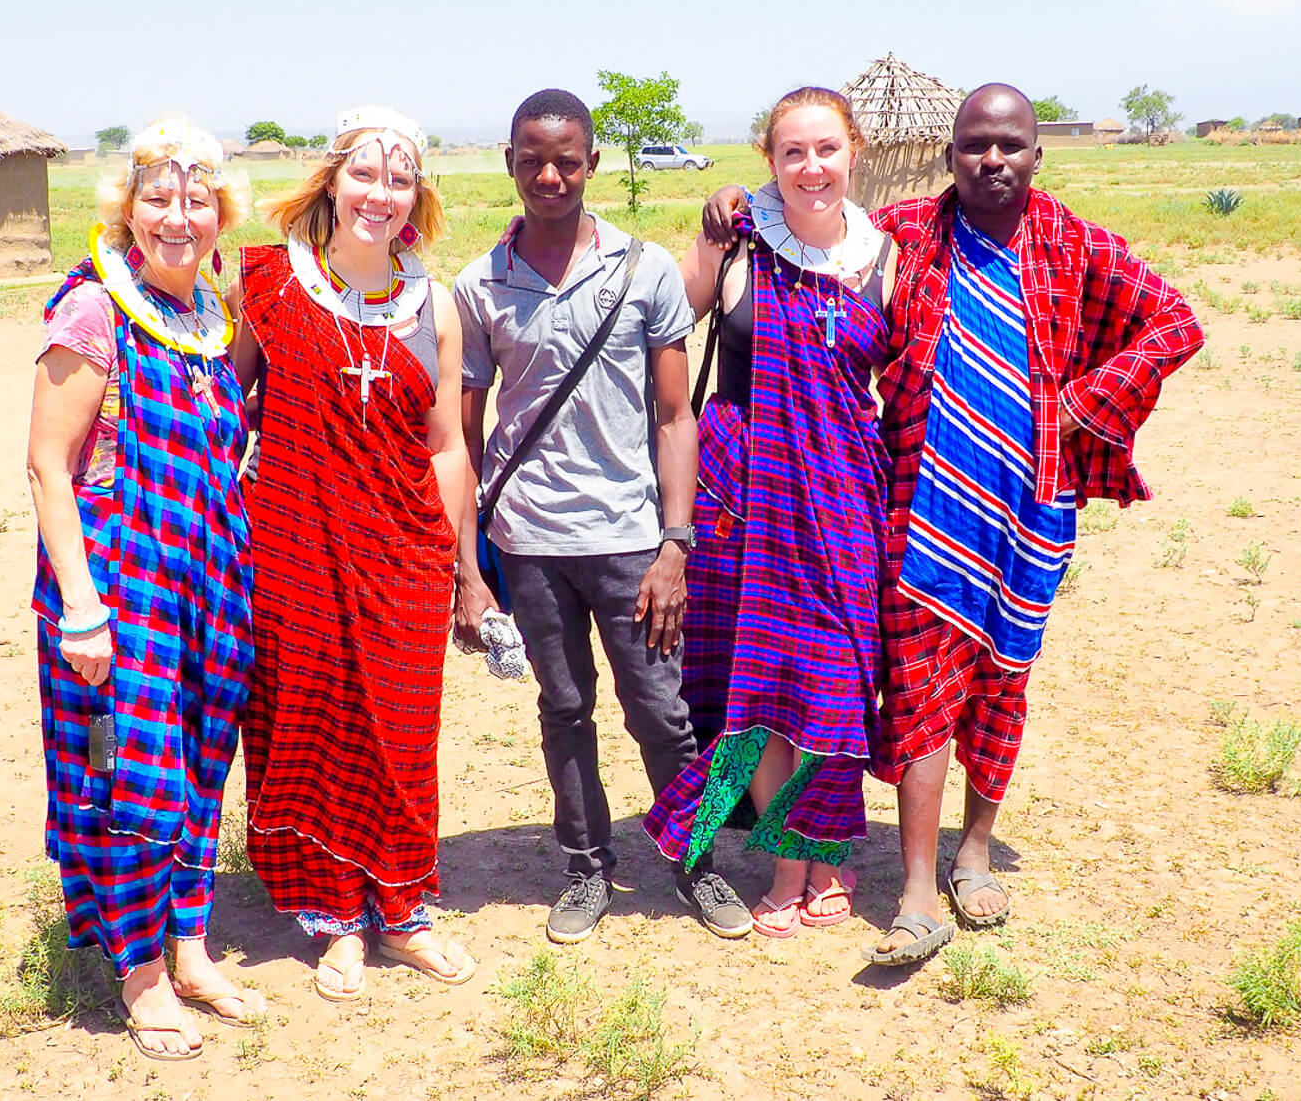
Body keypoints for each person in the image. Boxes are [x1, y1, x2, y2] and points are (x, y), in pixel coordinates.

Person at [700, 83, 1202, 962]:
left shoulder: (1079, 247)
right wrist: (737, 206)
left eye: (1009, 144)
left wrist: (1083, 405)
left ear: (1037, 154)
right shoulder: (908, 234)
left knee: (1003, 685)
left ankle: (976, 851)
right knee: (922, 689)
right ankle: (919, 886)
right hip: (916, 507)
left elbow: (1175, 322)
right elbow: (819, 216)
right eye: (974, 145)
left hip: (1029, 511)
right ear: (950, 155)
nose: (992, 160)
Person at [453, 89, 750, 943]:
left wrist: (675, 542)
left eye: (567, 159)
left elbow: (673, 418)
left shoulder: (643, 269)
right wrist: (470, 569)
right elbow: (466, 440)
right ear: (510, 162)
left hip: (630, 541)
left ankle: (697, 864)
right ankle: (586, 868)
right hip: (532, 541)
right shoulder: (480, 287)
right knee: (564, 708)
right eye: (532, 158)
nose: (550, 174)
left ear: (590, 163)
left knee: (661, 711)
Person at [27, 117, 262, 1061]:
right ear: (128, 209)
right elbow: (48, 464)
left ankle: (193, 948)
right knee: (130, 782)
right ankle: (142, 974)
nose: (177, 216)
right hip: (122, 596)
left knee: (201, 773)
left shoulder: (212, 315)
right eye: (158, 198)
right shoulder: (94, 312)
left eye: (196, 201)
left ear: (218, 217)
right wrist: (81, 608)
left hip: (209, 587)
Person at [230, 106, 475, 999]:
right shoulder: (267, 286)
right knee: (310, 722)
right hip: (294, 549)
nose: (380, 193)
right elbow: (225, 413)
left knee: (405, 736)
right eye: (364, 174)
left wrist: (451, 566)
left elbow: (448, 444)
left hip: (404, 556)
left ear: (418, 195)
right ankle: (335, 918)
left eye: (399, 178)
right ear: (332, 180)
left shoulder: (432, 305)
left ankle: (403, 910)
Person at [643, 87, 897, 938]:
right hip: (741, 494)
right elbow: (659, 315)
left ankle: (827, 853)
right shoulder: (739, 239)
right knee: (757, 687)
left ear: (853, 151)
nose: (811, 168)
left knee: (833, 685)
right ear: (770, 161)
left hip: (842, 497)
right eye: (793, 153)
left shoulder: (889, 254)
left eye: (826, 149)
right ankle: (791, 863)